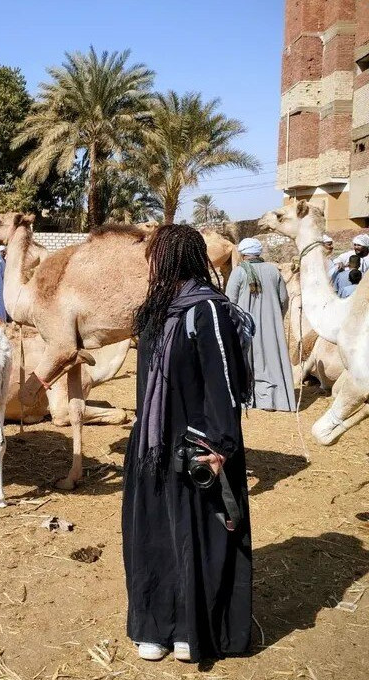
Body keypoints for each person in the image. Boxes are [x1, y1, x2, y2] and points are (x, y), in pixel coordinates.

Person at [123, 224, 251, 663]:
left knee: (194, 537)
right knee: (153, 536)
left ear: (176, 258)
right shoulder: (154, 311)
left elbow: (225, 384)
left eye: (156, 255)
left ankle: (190, 629)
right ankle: (155, 626)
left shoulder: (209, 311)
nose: (150, 264)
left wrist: (220, 446)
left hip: (198, 446)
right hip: (154, 446)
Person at [226, 238, 296, 412]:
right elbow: (283, 299)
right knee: (273, 359)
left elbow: (229, 302)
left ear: (242, 254)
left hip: (246, 326)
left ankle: (257, 399)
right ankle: (278, 400)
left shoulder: (239, 272)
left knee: (252, 360)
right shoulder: (273, 270)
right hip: (272, 325)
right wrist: (275, 317)